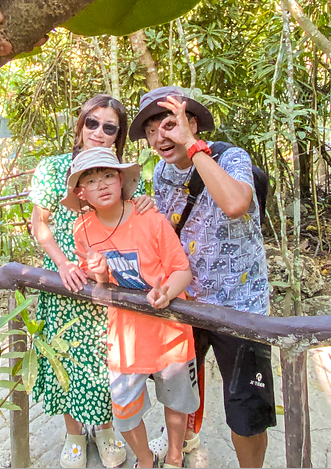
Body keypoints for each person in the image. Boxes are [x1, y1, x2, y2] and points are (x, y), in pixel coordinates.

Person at [129, 86, 276, 469]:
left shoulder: (231, 157)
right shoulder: (161, 172)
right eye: (150, 130)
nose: (160, 137)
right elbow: (170, 232)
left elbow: (234, 204)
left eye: (169, 124)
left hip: (239, 307)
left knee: (245, 410)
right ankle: (179, 449)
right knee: (178, 389)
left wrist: (194, 148)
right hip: (188, 303)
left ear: (191, 124)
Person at [30, 95, 155, 469]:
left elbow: (136, 215)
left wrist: (146, 204)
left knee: (104, 363)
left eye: (110, 127)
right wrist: (63, 263)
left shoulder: (120, 174)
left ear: (118, 137)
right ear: (81, 124)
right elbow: (40, 224)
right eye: (92, 123)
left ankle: (103, 430)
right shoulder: (53, 169)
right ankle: (72, 434)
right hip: (67, 285)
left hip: (109, 285)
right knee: (66, 358)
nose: (99, 132)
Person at [66, 147, 199, 469]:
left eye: (108, 175)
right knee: (124, 410)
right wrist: (97, 271)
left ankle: (174, 457)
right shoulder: (82, 230)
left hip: (170, 330)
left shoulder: (150, 219)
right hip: (125, 337)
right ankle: (144, 459)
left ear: (121, 179)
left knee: (176, 402)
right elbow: (100, 279)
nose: (101, 184)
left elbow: (182, 270)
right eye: (92, 180)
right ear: (81, 193)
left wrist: (165, 293)